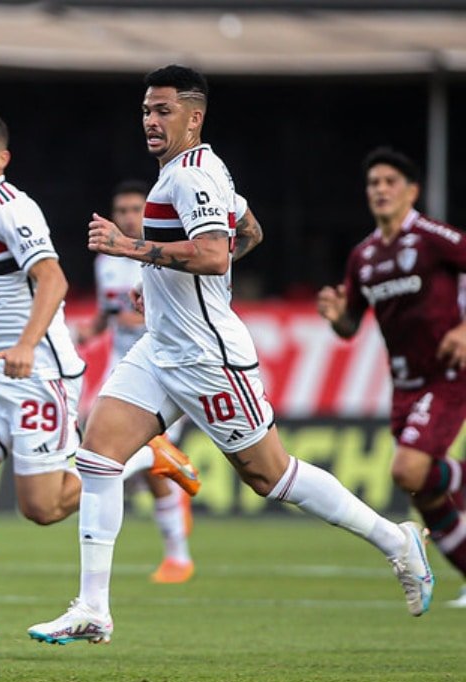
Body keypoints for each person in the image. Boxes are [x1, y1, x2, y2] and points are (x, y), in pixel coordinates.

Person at [27, 65, 434, 647]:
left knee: (271, 475)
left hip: (206, 356)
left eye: (163, 110)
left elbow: (217, 255)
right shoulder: (195, 171)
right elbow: (250, 231)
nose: (150, 120)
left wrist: (131, 248)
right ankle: (93, 608)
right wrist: (160, 276)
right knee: (98, 455)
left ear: (194, 117)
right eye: (146, 110)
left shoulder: (193, 177)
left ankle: (396, 541)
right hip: (161, 347)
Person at [0, 111, 203, 648]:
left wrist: (25, 344)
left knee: (42, 509)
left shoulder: (13, 210)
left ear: (1, 158)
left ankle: (145, 456)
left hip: (38, 373)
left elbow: (54, 279)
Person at [317, 147, 466, 608]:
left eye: (390, 182)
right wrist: (338, 317)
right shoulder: (363, 257)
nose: (380, 190)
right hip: (404, 386)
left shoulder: (430, 236)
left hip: (446, 374)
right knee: (419, 486)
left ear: (412, 191)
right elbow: (351, 327)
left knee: (408, 469)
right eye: (373, 183)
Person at [76, 179, 205, 585]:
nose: (130, 217)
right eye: (123, 210)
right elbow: (106, 314)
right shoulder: (108, 260)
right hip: (124, 370)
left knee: (135, 455)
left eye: (137, 209)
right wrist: (87, 331)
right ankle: (177, 551)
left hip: (167, 367)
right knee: (119, 456)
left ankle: (179, 555)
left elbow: (175, 314)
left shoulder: (163, 255)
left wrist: (129, 317)